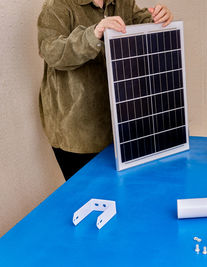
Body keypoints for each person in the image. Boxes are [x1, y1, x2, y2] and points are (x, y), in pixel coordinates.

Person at [37, 0, 173, 180]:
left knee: (121, 194)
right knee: (88, 199)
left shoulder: (123, 2)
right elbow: (51, 52)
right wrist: (93, 34)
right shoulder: (57, 5)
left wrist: (158, 17)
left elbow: (138, 23)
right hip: (78, 130)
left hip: (121, 123)